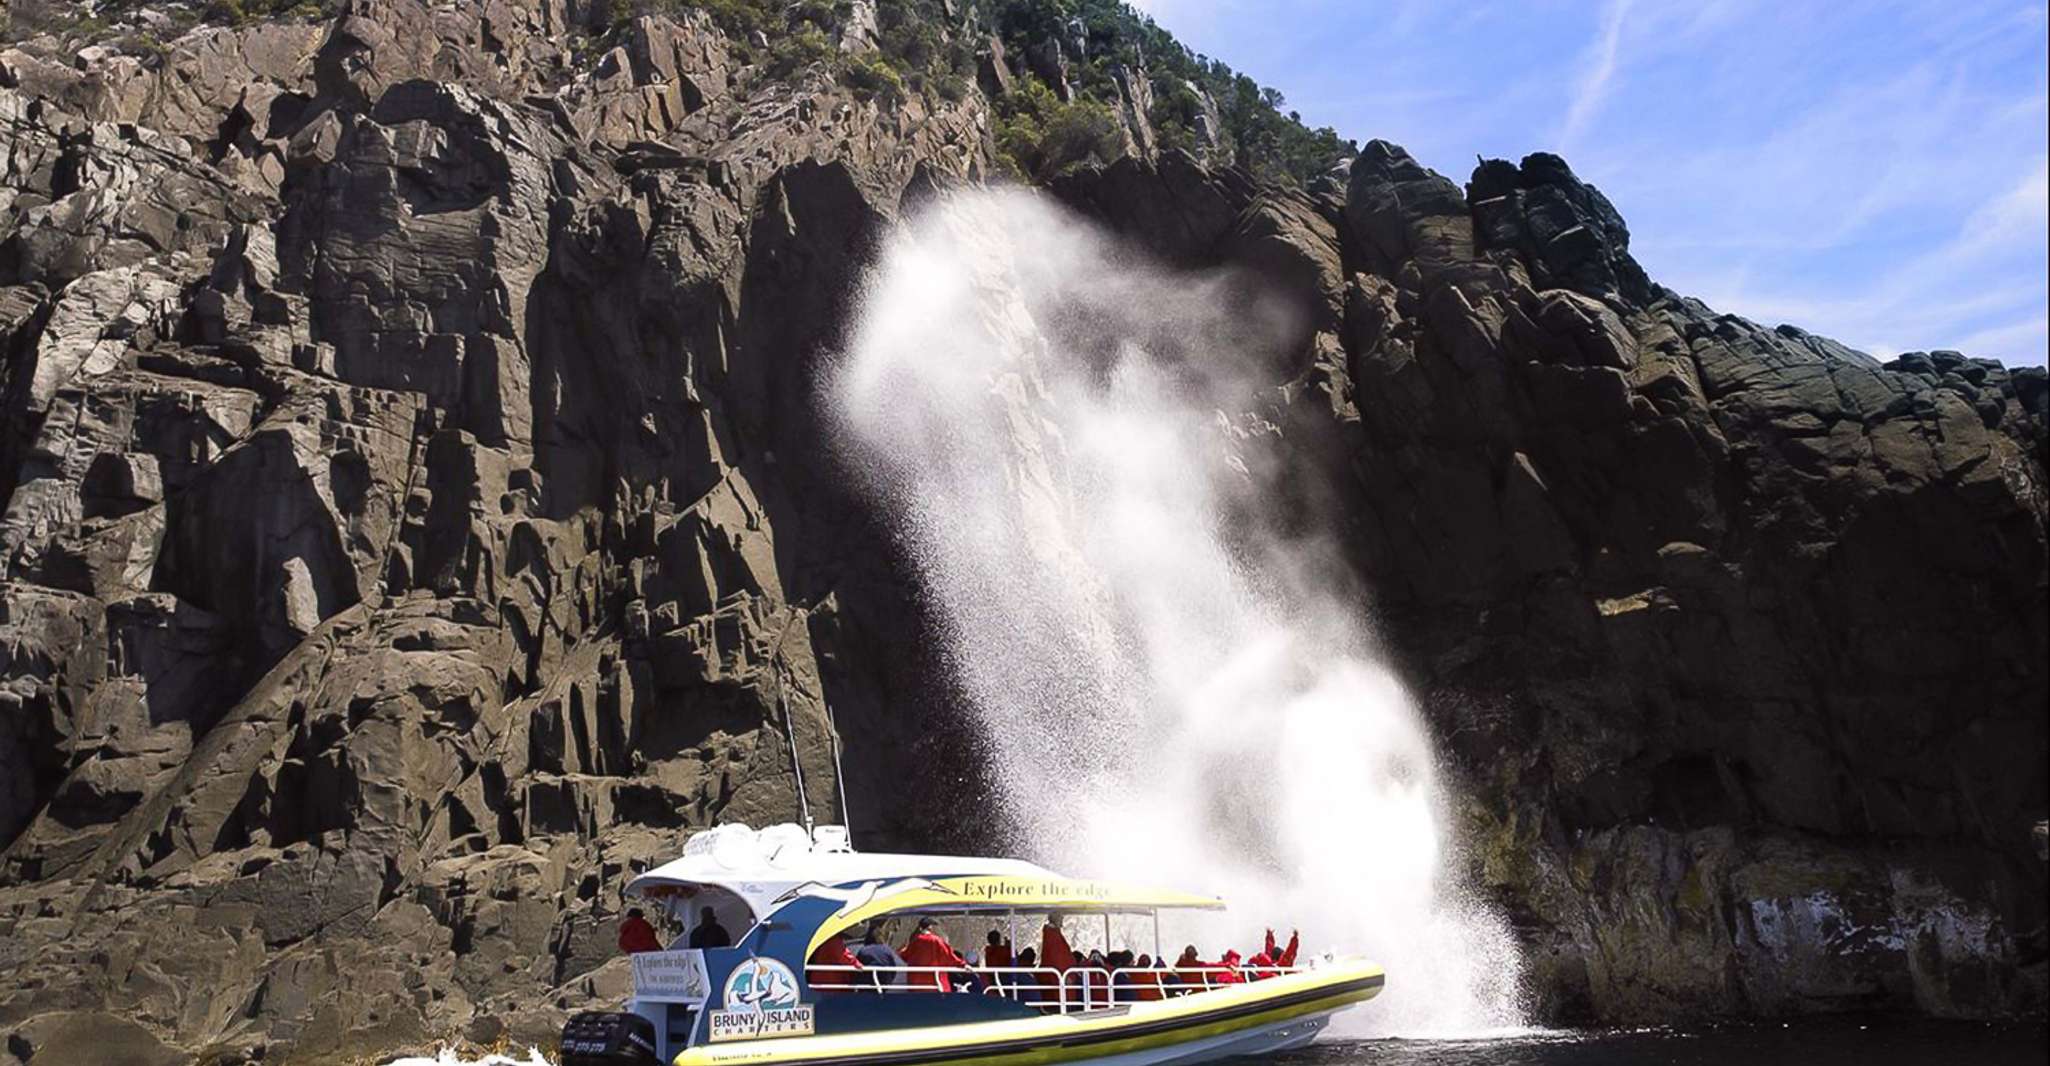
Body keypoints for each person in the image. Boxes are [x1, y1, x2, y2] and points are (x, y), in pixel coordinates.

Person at [900, 917, 970, 992]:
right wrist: (963, 964)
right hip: (934, 984)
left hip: (916, 984)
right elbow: (949, 955)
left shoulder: (915, 941)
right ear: (931, 928)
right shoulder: (937, 941)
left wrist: (901, 948)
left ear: (920, 928)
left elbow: (904, 955)